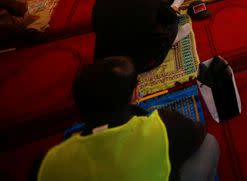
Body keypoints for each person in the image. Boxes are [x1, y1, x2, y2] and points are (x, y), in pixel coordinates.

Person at [37, 56, 219, 181]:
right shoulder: (162, 125)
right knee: (210, 143)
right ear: (134, 94)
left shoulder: (48, 163)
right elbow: (199, 134)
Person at [92, 0, 179, 72]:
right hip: (143, 61)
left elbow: (96, 28)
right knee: (173, 21)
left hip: (110, 63)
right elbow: (171, 18)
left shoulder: (100, 0)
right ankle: (172, 40)